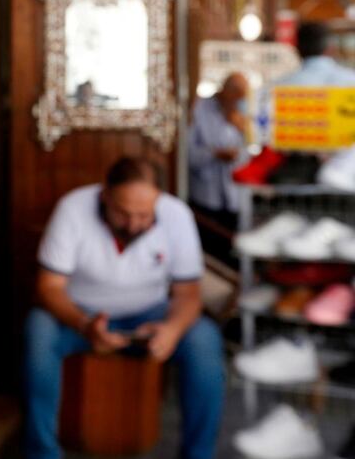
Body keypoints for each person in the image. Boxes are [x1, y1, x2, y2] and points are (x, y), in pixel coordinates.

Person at [24, 157, 225, 459]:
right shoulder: (73, 208)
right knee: (38, 329)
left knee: (204, 339)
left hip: (150, 313)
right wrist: (84, 324)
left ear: (159, 200)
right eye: (122, 213)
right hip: (80, 315)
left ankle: (198, 454)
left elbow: (188, 293)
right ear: (104, 195)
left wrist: (172, 330)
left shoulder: (177, 215)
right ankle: (42, 453)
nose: (133, 224)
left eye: (144, 215)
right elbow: (49, 287)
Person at [188, 72, 249, 229]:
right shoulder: (200, 108)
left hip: (235, 198)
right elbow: (187, 154)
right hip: (205, 196)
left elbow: (250, 155)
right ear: (223, 90)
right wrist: (214, 154)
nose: (237, 100)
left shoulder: (244, 113)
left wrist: (243, 130)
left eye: (241, 96)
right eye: (234, 94)